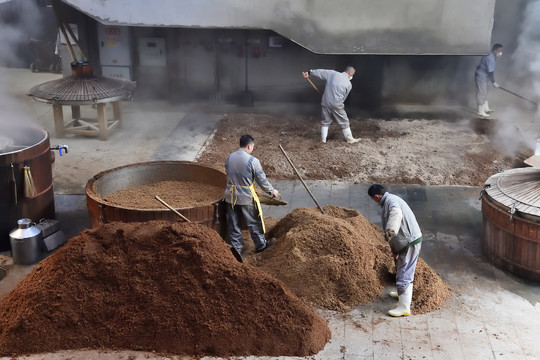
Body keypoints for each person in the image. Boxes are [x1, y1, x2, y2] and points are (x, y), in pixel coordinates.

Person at [368, 184, 423, 317]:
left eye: (372, 199)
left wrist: (390, 231)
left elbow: (396, 213)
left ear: (376, 196)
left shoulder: (391, 202)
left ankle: (404, 308)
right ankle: (401, 294)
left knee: (404, 273)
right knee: (400, 269)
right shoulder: (390, 199)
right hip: (404, 242)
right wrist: (395, 249)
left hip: (409, 242)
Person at [224, 134, 279, 257]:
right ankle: (261, 245)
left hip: (230, 196)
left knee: (233, 224)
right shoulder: (253, 161)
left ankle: (237, 249)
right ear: (249, 146)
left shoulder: (229, 157)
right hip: (246, 197)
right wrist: (272, 191)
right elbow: (262, 180)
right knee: (253, 222)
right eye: (253, 147)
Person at [302, 67, 361, 144]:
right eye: (352, 74)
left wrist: (309, 72)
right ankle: (350, 140)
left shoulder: (333, 73)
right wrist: (338, 104)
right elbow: (344, 97)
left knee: (325, 122)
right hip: (337, 103)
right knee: (344, 121)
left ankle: (323, 140)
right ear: (350, 73)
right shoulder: (349, 84)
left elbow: (321, 72)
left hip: (326, 102)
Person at [475, 43, 503, 117]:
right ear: (495, 50)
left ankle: (486, 108)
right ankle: (480, 111)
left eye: (501, 50)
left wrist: (493, 82)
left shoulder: (492, 56)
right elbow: (490, 72)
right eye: (499, 51)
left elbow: (489, 72)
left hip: (485, 76)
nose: (501, 53)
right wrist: (494, 82)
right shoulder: (490, 58)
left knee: (485, 91)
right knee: (481, 93)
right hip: (481, 76)